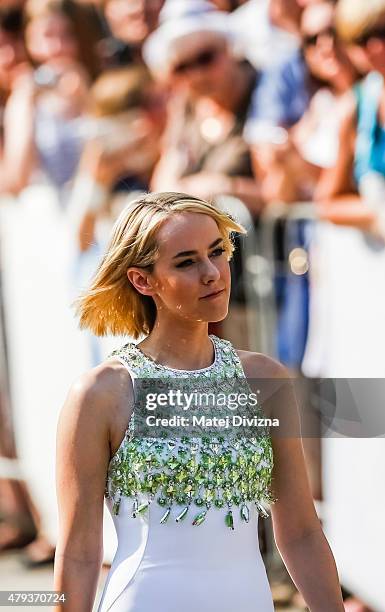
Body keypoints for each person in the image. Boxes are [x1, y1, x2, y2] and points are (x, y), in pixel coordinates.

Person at [54, 191, 345, 611]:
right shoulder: (100, 394)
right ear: (143, 280)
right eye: (187, 262)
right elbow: (79, 554)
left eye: (217, 252)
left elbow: (301, 532)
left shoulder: (265, 380)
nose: (213, 273)